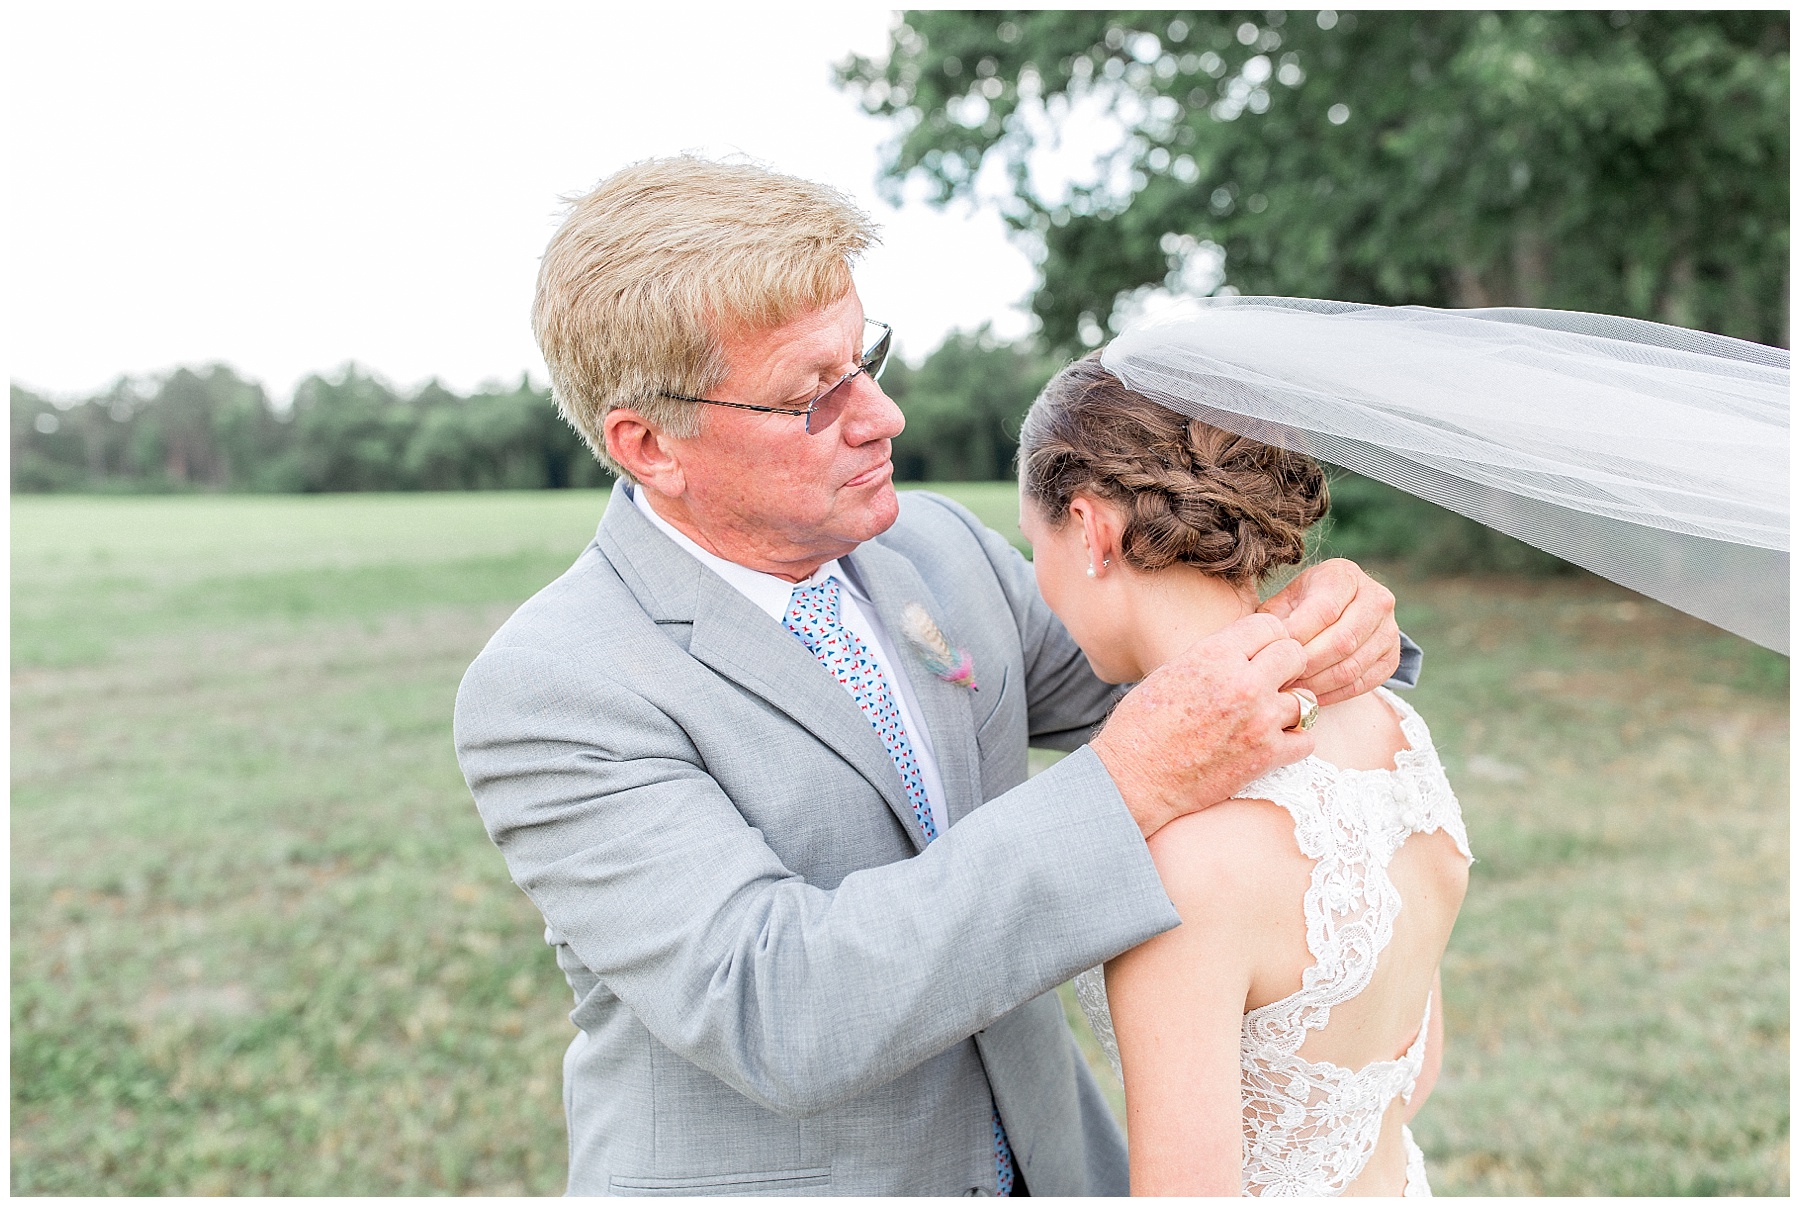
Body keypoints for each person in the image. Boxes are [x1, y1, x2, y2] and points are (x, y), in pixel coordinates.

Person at [452, 156, 1413, 1196]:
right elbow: (776, 1006)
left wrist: (1323, 621)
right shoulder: (555, 688)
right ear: (652, 446)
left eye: (862, 359)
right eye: (811, 397)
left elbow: (1180, 681)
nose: (882, 415)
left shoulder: (938, 549)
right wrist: (1127, 785)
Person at [1014, 353, 1470, 1196]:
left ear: (1089, 530)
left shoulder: (1177, 854)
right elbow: (1413, 1068)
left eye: (1032, 543)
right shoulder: (1396, 727)